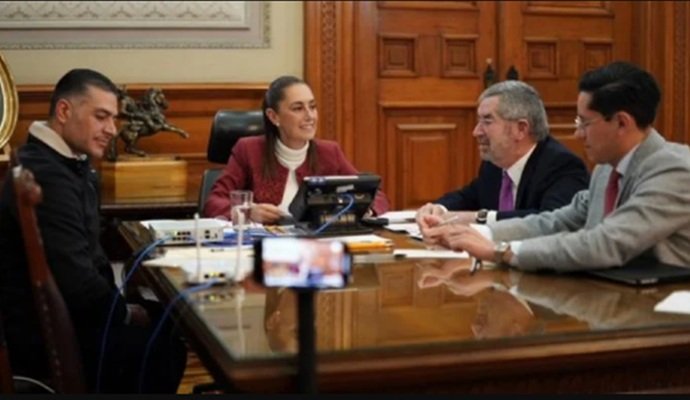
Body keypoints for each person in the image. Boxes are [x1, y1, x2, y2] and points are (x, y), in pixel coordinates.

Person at [0, 68, 186, 393]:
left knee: (163, 319)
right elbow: (77, 283)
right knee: (166, 339)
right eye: (101, 117)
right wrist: (125, 313)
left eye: (113, 118)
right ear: (64, 111)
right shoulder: (49, 176)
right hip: (49, 341)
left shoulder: (56, 162)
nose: (112, 129)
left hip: (66, 323)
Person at [423, 61, 690, 272]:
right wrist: (474, 233)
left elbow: (607, 242)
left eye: (585, 123)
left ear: (622, 122)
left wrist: (501, 251)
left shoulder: (675, 171)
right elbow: (558, 221)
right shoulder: (607, 169)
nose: (577, 134)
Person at [203, 75, 389, 223]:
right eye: (298, 108)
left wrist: (364, 210)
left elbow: (375, 196)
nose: (310, 116)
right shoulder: (249, 150)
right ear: (274, 116)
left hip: (316, 246)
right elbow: (213, 202)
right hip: (264, 247)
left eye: (312, 107)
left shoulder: (329, 152)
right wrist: (247, 212)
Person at [416, 80, 589, 229]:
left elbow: (550, 221)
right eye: (479, 121)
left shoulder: (562, 166)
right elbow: (468, 196)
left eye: (487, 121)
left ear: (521, 129)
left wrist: (480, 218)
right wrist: (438, 209)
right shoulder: (495, 163)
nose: (476, 132)